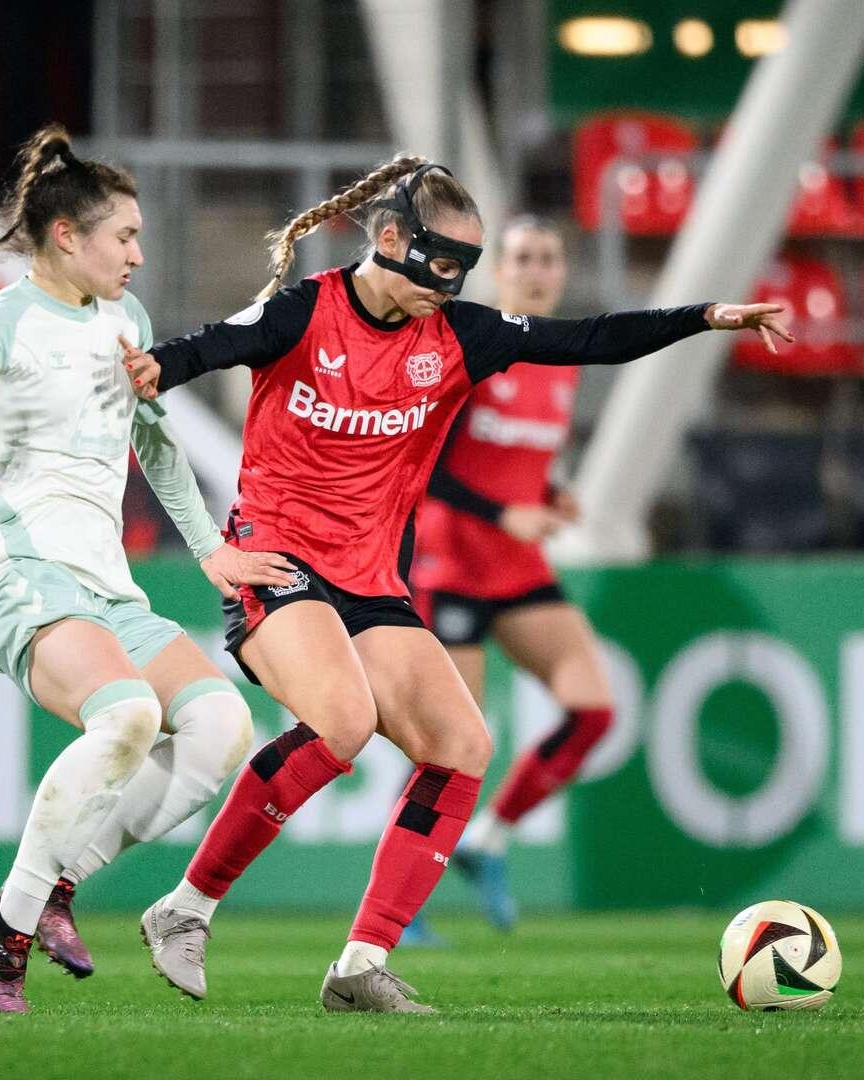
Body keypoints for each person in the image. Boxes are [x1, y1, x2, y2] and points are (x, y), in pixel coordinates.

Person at [121, 155, 790, 1012]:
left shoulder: (461, 337)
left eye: (464, 269)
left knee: (462, 747)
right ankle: (185, 908)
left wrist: (703, 317)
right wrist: (154, 369)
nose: (452, 283)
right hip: (276, 561)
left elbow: (586, 337)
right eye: (442, 263)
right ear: (391, 238)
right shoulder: (305, 310)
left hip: (370, 584)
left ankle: (361, 965)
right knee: (343, 724)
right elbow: (208, 347)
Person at [0, 124, 292, 1013]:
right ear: (67, 235)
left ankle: (35, 899)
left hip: (107, 585)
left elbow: (155, 438)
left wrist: (209, 547)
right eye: (125, 236)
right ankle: (15, 924)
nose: (139, 255)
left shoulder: (125, 322)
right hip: (17, 572)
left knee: (222, 723)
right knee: (129, 716)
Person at [398, 216, 611, 941]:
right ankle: (407, 893)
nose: (538, 268)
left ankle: (487, 841)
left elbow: (515, 457)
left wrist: (548, 497)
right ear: (499, 271)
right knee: (451, 743)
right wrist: (503, 512)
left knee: (593, 712)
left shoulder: (563, 358)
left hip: (519, 569)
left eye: (550, 255)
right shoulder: (480, 349)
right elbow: (430, 465)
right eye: (523, 256)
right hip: (453, 564)